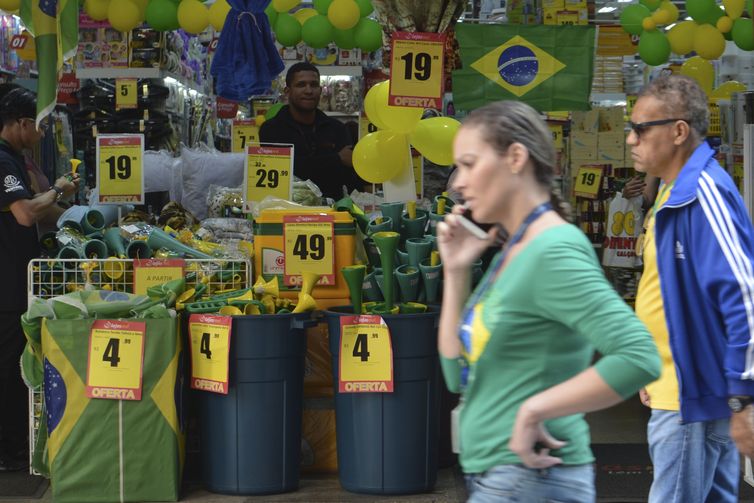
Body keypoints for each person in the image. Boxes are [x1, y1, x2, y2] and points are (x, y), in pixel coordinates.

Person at [436, 100, 660, 502]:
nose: (457, 182)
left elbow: (638, 354)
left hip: (531, 478)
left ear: (516, 158)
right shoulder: (514, 249)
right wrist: (455, 271)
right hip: (499, 474)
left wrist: (535, 410)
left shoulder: (553, 250)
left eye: (469, 164)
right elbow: (457, 374)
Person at [630, 74, 754, 502]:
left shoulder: (703, 194)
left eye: (641, 129)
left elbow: (744, 297)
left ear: (678, 131)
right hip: (676, 386)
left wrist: (743, 396)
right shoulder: (672, 191)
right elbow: (666, 292)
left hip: (691, 398)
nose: (631, 140)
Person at [0, 88, 79, 471]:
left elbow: (44, 213)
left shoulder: (17, 159)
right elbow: (26, 214)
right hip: (7, 285)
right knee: (9, 367)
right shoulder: (2, 161)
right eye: (41, 125)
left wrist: (75, 213)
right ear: (20, 124)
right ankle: (11, 449)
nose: (45, 133)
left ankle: (14, 444)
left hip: (15, 279)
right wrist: (56, 191)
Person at [259, 62, 366, 200]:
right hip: (285, 210)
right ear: (287, 91)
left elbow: (347, 175)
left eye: (314, 85)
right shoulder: (271, 129)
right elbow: (282, 171)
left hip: (332, 212)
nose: (309, 90)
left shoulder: (337, 128)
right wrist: (336, 159)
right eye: (301, 85)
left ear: (321, 90)